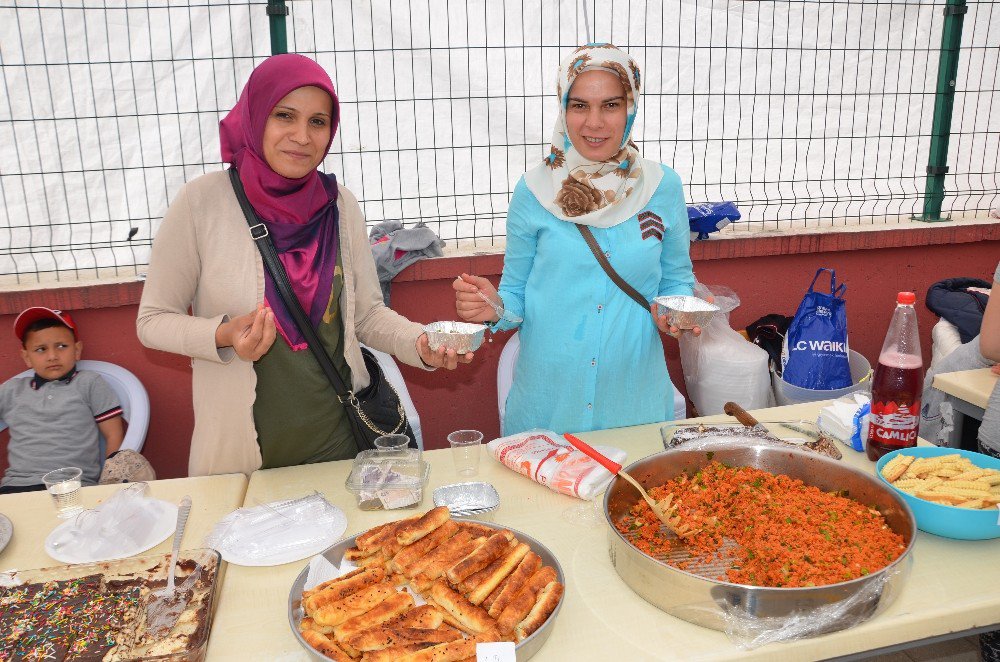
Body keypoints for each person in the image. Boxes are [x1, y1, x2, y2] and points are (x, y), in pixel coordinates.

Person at [137, 54, 472, 477]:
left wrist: (420, 343)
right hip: (244, 457)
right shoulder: (200, 204)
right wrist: (222, 333)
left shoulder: (339, 206)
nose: (301, 136)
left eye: (317, 122)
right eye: (285, 116)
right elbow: (151, 321)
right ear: (256, 116)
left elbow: (366, 314)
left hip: (341, 446)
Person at [454, 44, 697, 435]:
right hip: (549, 409)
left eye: (611, 105)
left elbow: (676, 281)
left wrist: (677, 314)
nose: (594, 123)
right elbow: (515, 294)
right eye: (579, 105)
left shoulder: (661, 188)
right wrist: (492, 306)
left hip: (634, 407)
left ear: (631, 108)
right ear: (562, 108)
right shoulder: (534, 191)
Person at [0, 307, 124, 494]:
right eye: (41, 349)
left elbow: (113, 434)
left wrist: (108, 482)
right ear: (26, 357)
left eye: (61, 346)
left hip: (75, 485)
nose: (52, 356)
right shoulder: (12, 390)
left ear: (77, 350)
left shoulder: (89, 382)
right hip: (17, 486)